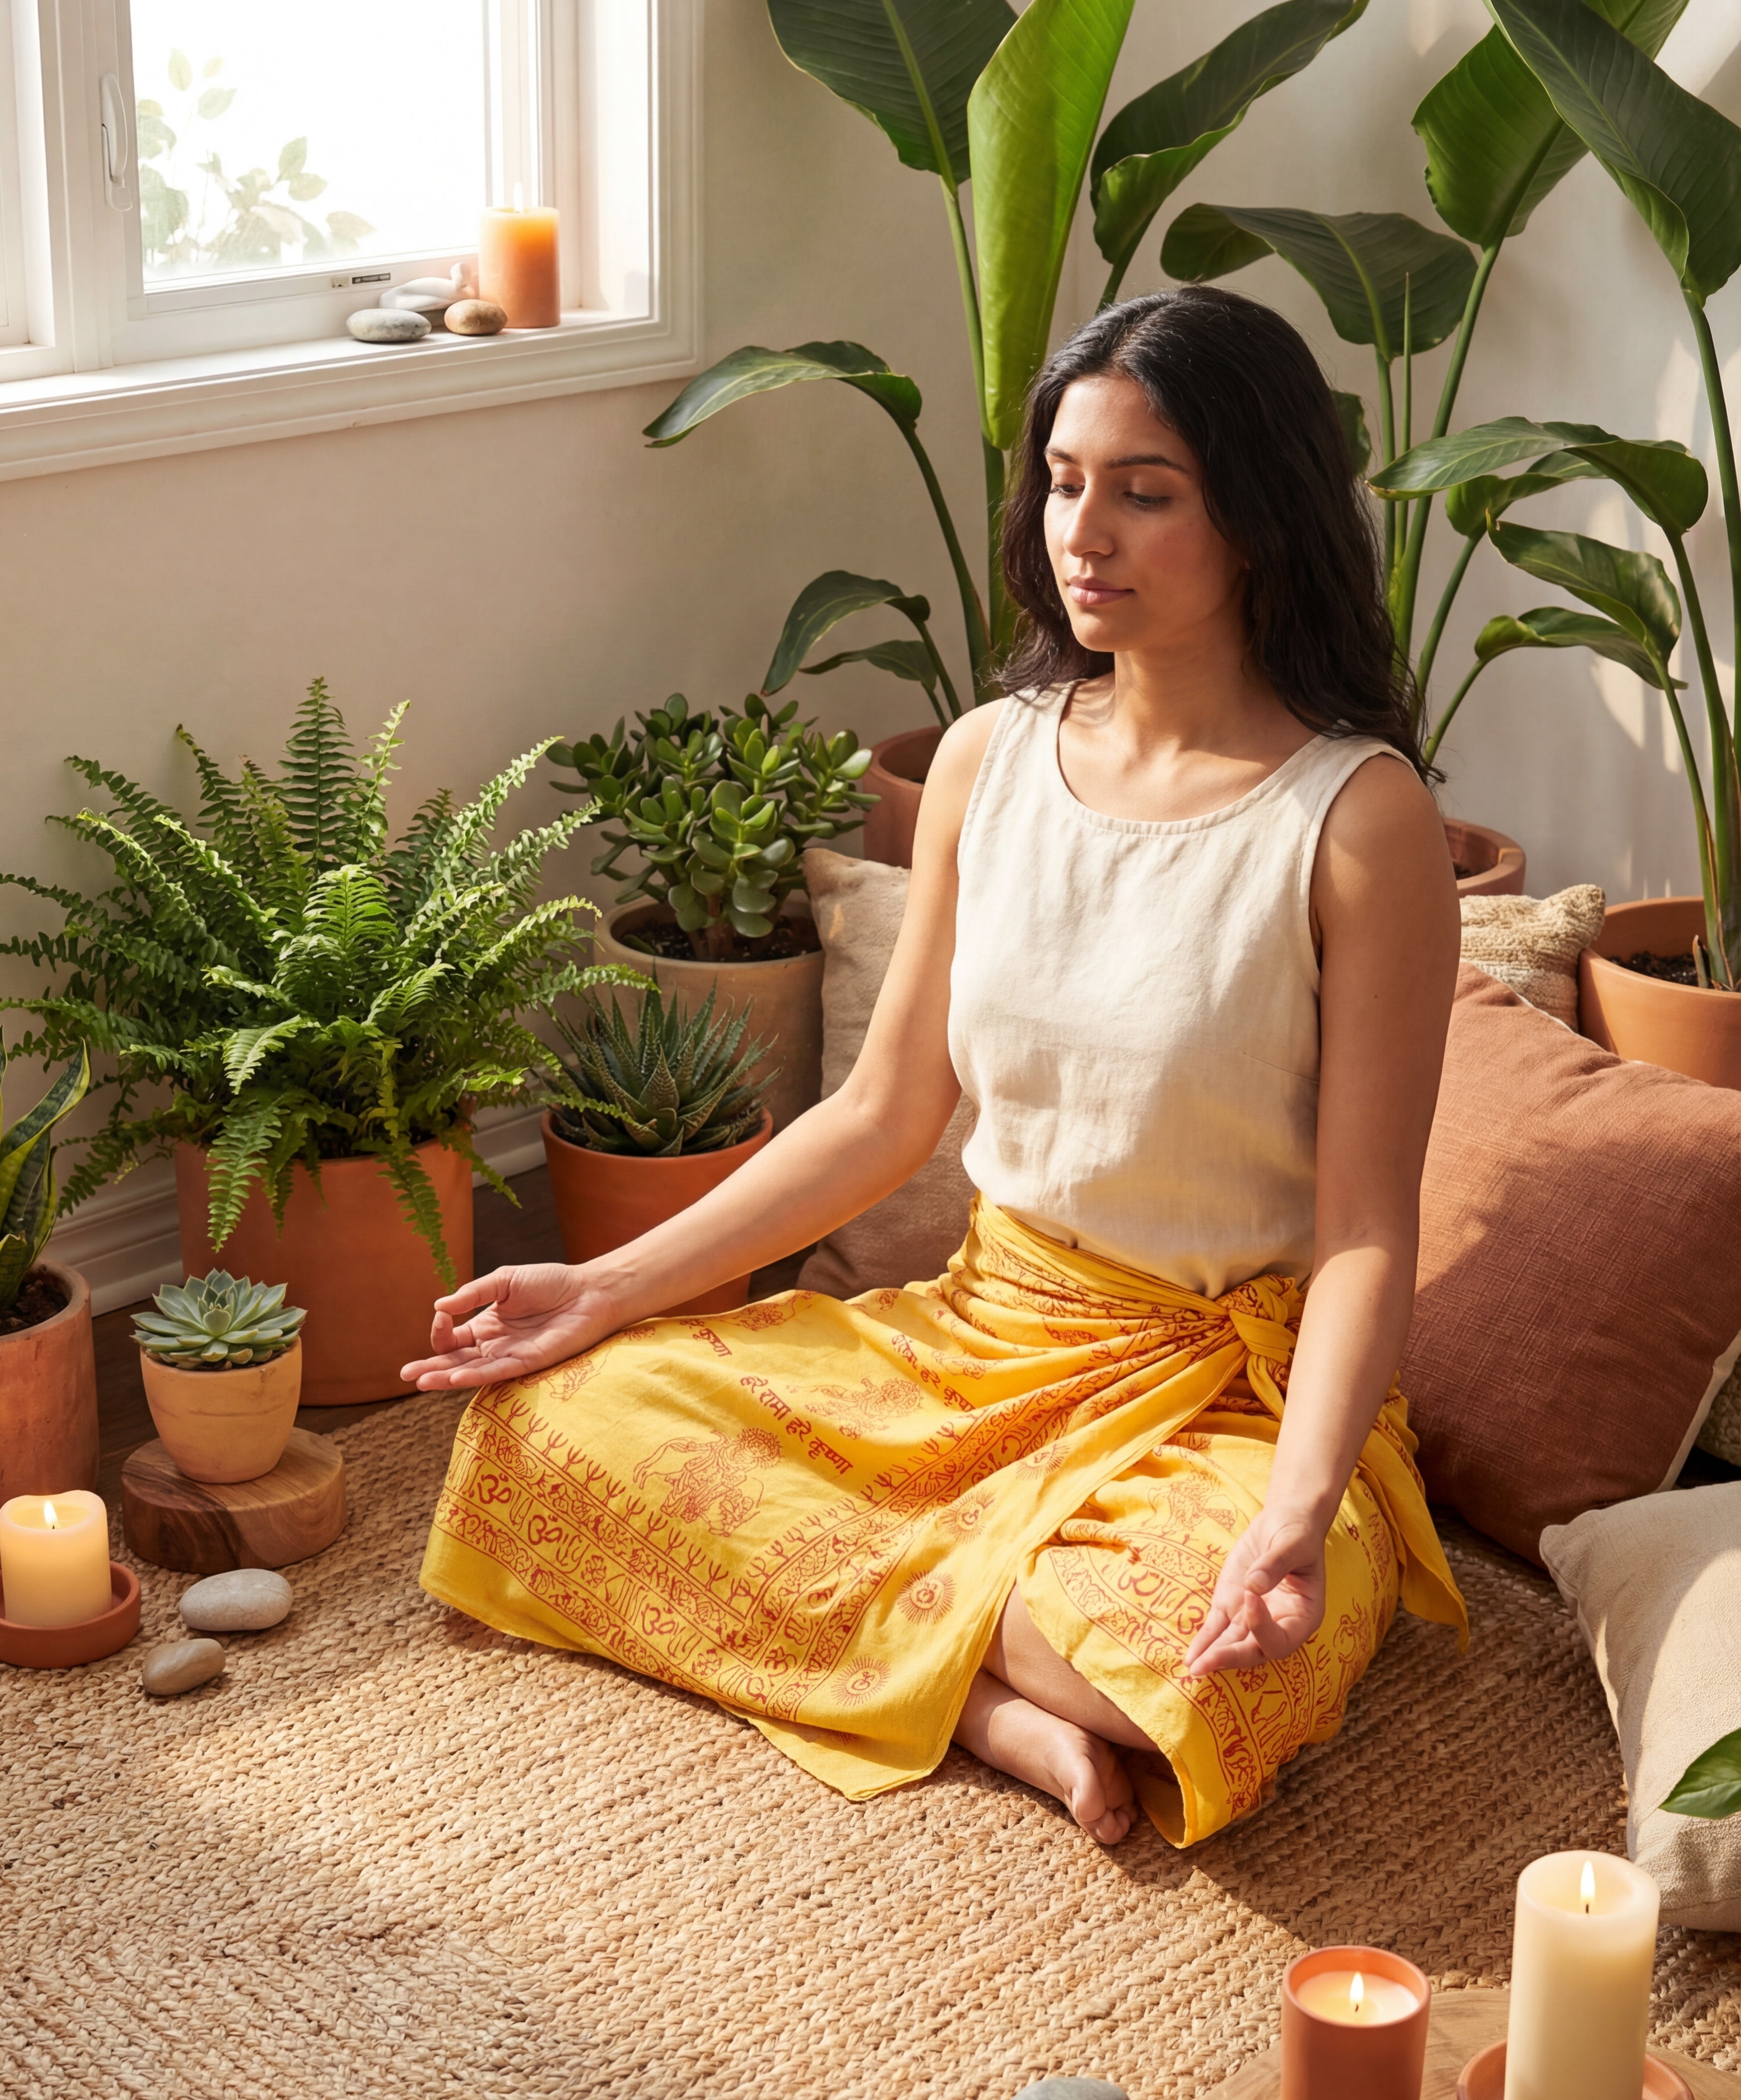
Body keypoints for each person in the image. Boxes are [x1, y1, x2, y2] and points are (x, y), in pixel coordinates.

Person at [406, 285, 1466, 1850]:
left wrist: (1303, 1513)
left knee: (1185, 1663)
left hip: (1228, 1399)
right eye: (1062, 482)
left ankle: (969, 1657)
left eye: (1145, 492)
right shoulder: (987, 759)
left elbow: (1373, 1225)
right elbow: (883, 1114)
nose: (1080, 533)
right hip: (981, 1341)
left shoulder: (1358, 821)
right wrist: (608, 1286)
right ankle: (982, 1705)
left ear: (1259, 517)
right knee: (552, 1423)